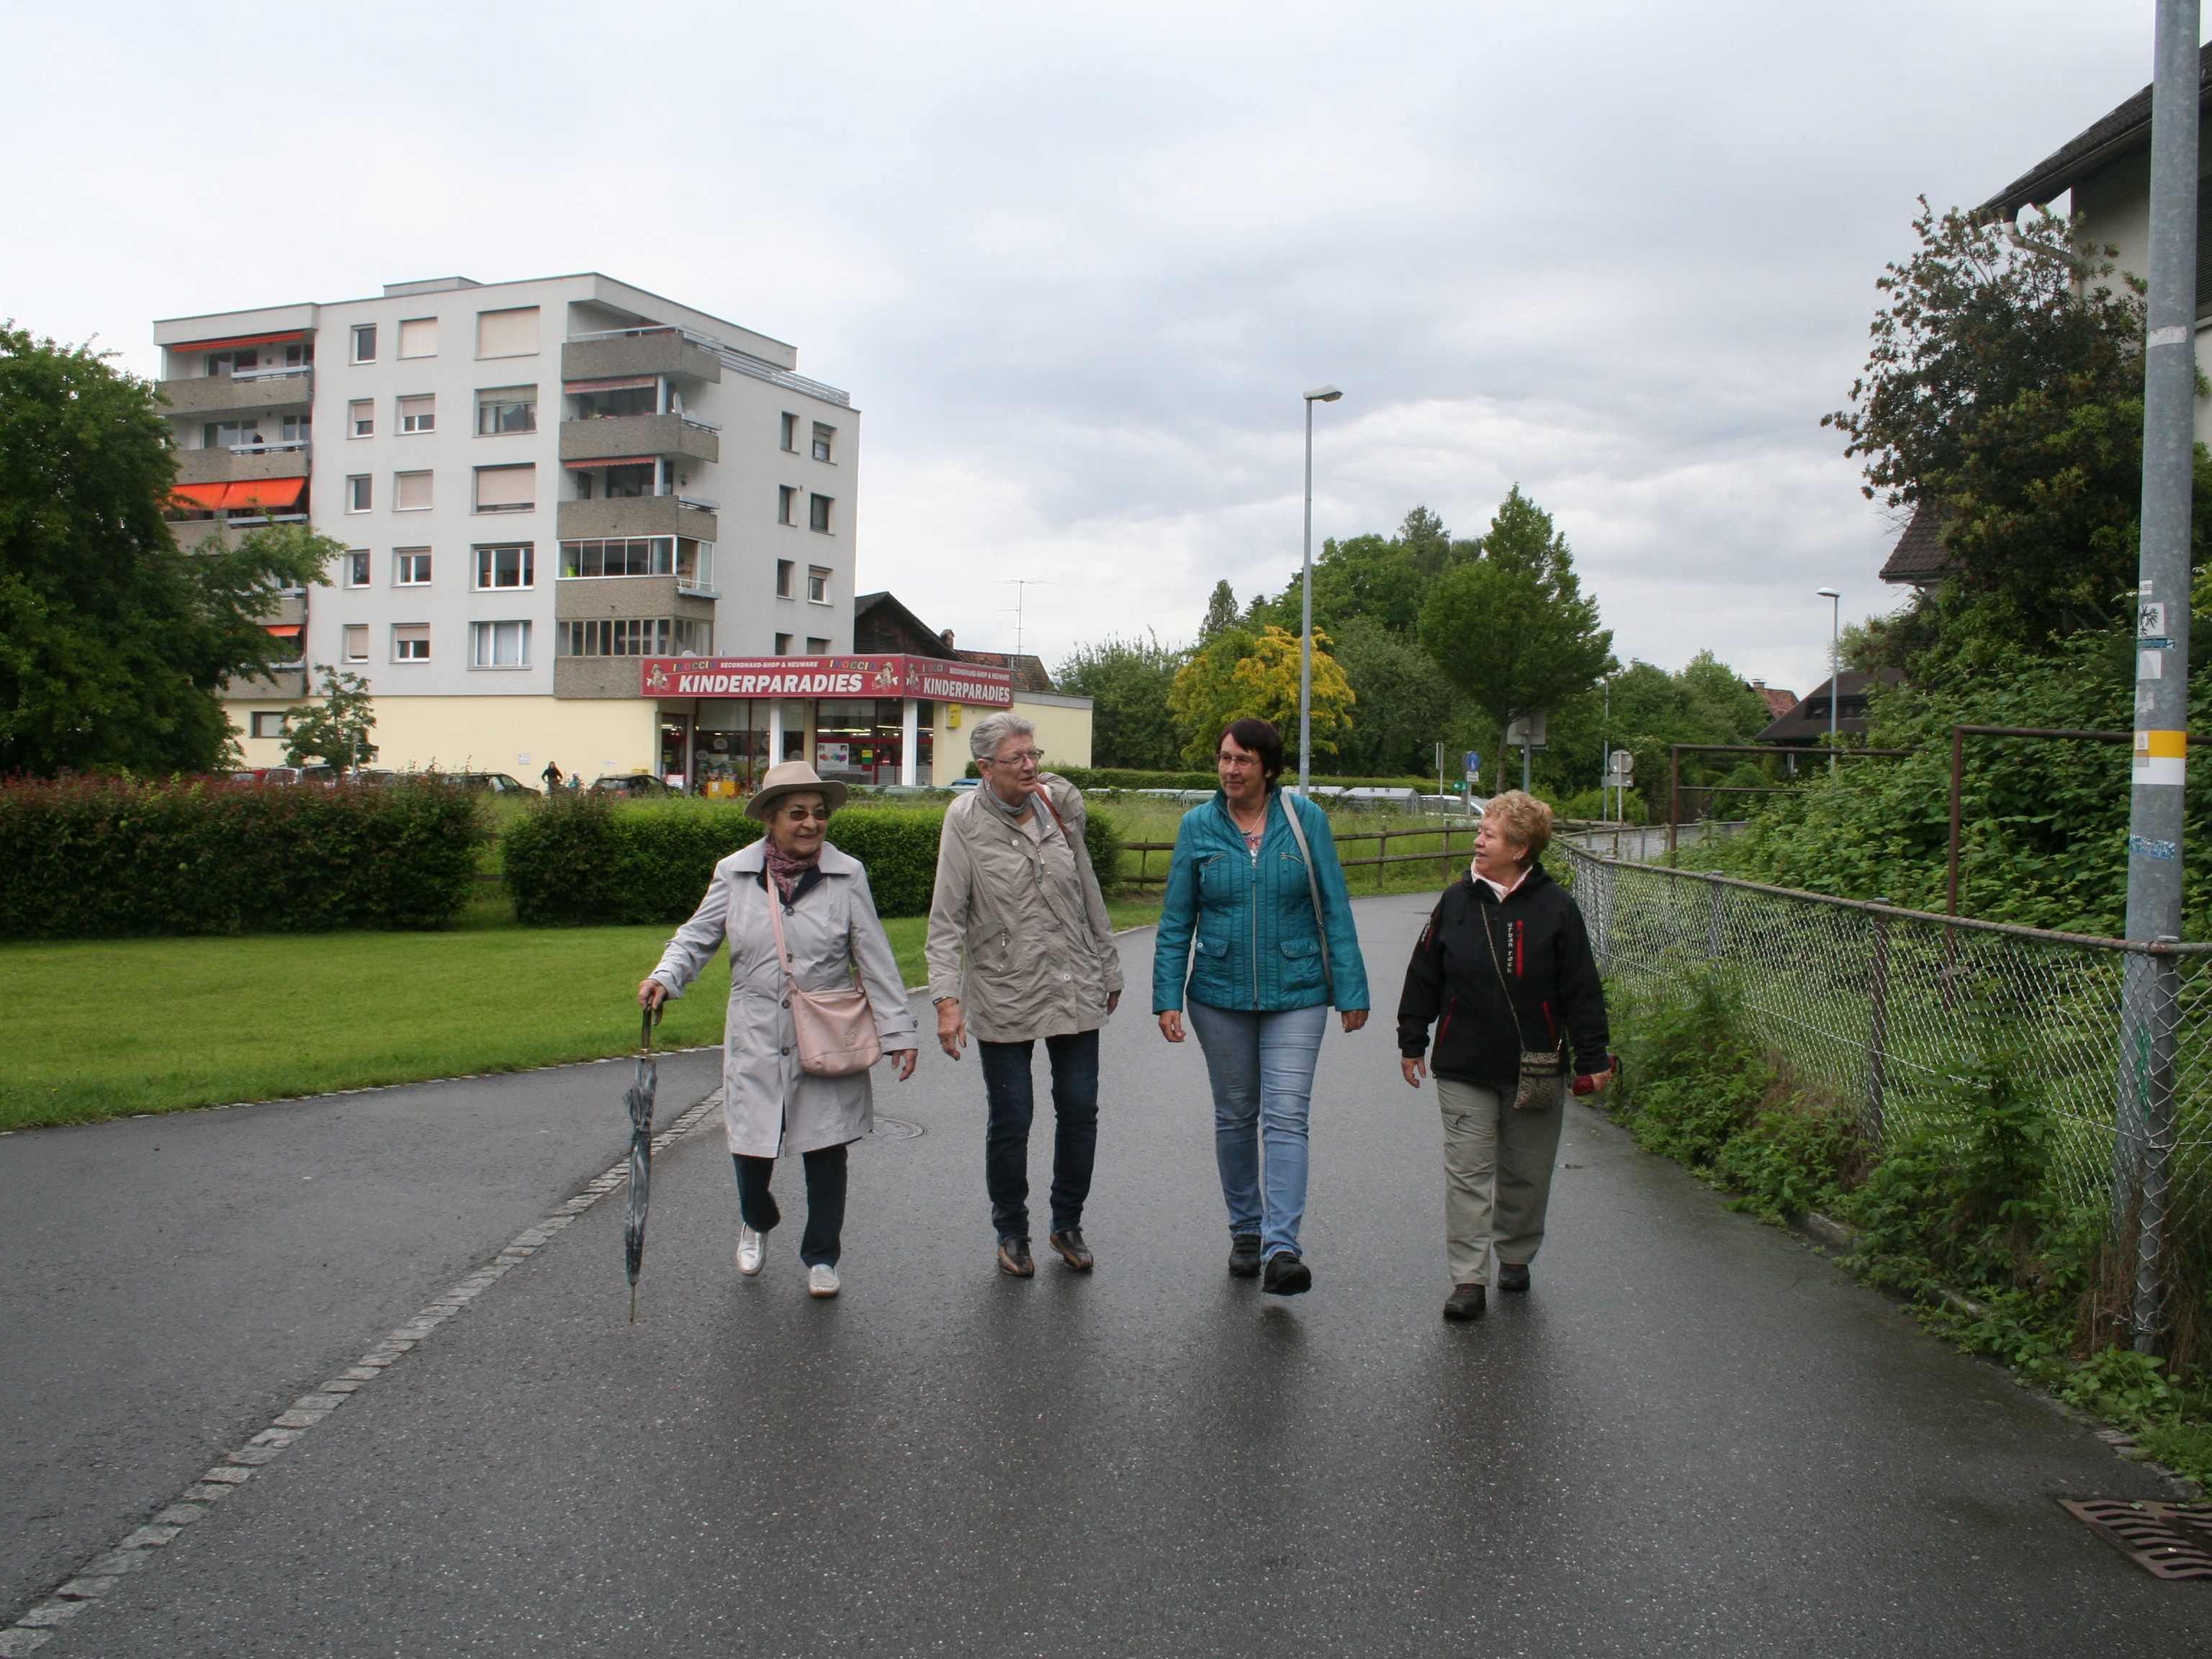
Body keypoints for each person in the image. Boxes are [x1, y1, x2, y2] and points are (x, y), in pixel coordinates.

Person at [639, 760, 918, 1299]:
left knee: (827, 1146)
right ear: (770, 818)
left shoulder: (847, 874)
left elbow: (875, 958)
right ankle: (757, 1216)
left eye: (819, 814)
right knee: (750, 1143)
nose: (811, 824)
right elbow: (697, 937)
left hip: (827, 1028)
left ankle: (821, 1256)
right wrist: (665, 977)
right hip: (757, 1029)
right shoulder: (734, 872)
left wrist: (900, 1032)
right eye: (797, 814)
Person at [1154, 718, 1369, 1295]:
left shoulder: (1306, 821)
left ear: (1269, 769)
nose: (1230, 770)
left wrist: (1351, 989)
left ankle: (1282, 1247)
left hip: (1297, 991)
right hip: (1218, 995)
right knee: (1235, 1115)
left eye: (1244, 760)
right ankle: (1245, 1230)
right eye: (1225, 758)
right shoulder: (1197, 826)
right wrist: (1166, 996)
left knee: (1286, 1116)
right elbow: (1177, 920)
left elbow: (1336, 908)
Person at [1395, 791, 1614, 1323]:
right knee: (1468, 1172)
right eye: (1481, 832)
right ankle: (1469, 1279)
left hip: (1534, 1067)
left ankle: (1515, 1253)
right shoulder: (1455, 901)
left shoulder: (1557, 908)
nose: (1477, 841)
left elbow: (1581, 988)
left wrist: (1593, 1057)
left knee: (1527, 1172)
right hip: (1463, 1064)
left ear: (1519, 849)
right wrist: (1411, 1038)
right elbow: (1424, 972)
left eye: (1488, 834)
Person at [927, 712, 1123, 1278]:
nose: (1031, 766)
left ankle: (1068, 1224)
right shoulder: (964, 820)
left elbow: (1087, 886)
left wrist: (1108, 967)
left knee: (1080, 1109)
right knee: (1013, 1116)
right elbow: (946, 920)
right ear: (985, 768)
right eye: (1017, 759)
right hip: (1003, 987)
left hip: (1072, 979)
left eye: (1034, 754)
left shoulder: (1057, 805)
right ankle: (1012, 1230)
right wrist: (946, 1000)